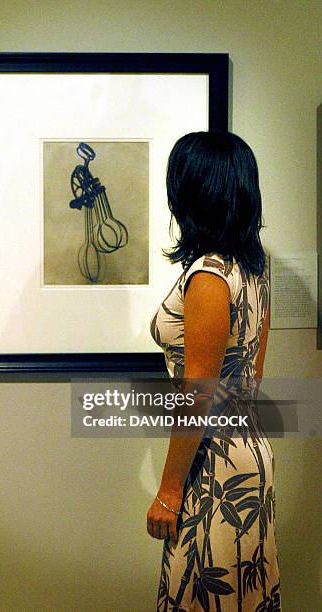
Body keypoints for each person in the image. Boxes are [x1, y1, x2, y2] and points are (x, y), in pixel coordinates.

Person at [148, 131, 281, 611]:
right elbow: (253, 375)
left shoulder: (208, 275)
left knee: (202, 593)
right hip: (250, 449)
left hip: (214, 464)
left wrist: (167, 491)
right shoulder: (255, 266)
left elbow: (199, 393)